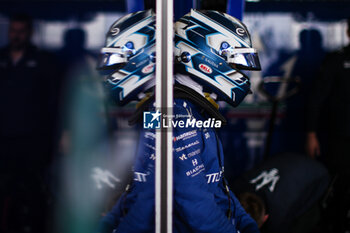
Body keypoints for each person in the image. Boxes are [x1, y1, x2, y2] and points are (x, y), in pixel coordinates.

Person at [97, 9, 261, 233]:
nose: (239, 72)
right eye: (235, 63)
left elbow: (214, 185)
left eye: (119, 63)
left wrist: (246, 223)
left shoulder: (175, 110)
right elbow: (150, 192)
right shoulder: (174, 112)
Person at [0, 14, 59, 233]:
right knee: (5, 191)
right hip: (4, 140)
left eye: (21, 31)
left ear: (30, 33)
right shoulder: (2, 58)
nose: (16, 35)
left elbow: (55, 100)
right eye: (13, 30)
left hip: (34, 140)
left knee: (34, 191)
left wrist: (61, 135)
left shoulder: (44, 61)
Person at [306, 18, 350, 233]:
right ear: (349, 32)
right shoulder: (336, 60)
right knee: (339, 189)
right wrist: (311, 134)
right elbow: (316, 99)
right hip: (340, 138)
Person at [232, 153, 330, 233]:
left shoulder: (278, 217)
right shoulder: (236, 187)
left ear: (266, 218)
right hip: (288, 160)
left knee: (303, 223)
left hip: (317, 176)